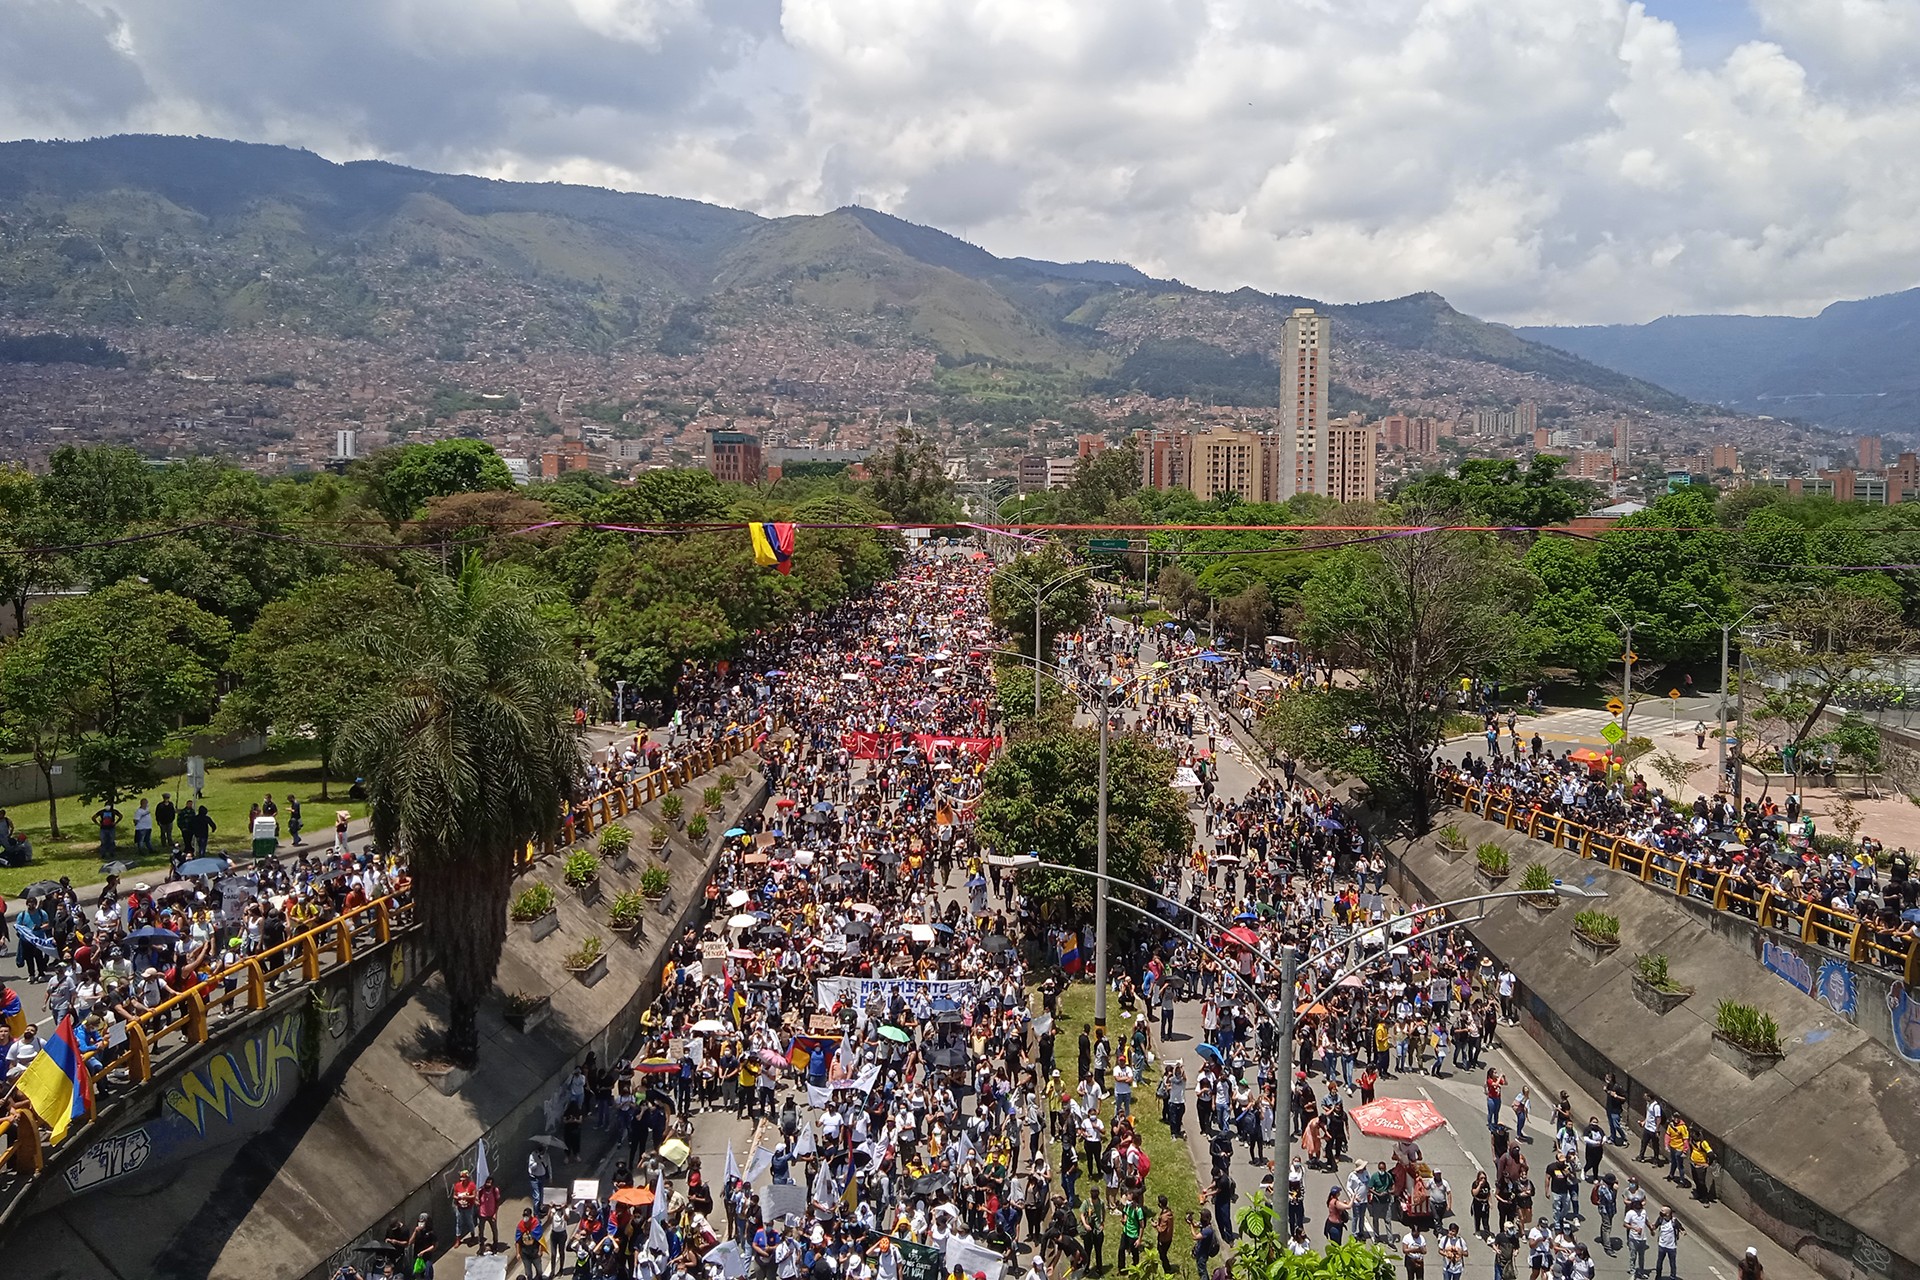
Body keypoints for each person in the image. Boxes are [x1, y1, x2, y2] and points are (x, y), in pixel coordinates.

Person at [515, 1204, 545, 1278]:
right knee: (528, 1274)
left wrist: (540, 1251)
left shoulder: (536, 1224)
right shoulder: (520, 1226)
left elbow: (540, 1239)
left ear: (530, 1216)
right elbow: (517, 1241)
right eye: (524, 1215)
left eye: (527, 1215)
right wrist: (518, 1253)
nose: (525, 1217)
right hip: (525, 1253)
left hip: (535, 1252)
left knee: (539, 1271)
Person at [1653, 1206, 1682, 1280]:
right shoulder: (1660, 1219)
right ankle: (1658, 1276)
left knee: (1672, 1263)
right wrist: (1651, 1227)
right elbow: (1655, 1227)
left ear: (1668, 1213)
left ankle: (1673, 1277)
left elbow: (1681, 1229)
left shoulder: (1674, 1221)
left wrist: (1682, 1232)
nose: (1660, 1211)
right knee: (1659, 1262)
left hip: (1671, 1246)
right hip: (1662, 1245)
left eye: (1663, 1211)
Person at [452, 1169, 478, 1244]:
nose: (463, 1180)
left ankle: (473, 1235)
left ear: (467, 1178)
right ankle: (458, 1239)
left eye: (465, 1178)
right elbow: (454, 1195)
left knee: (469, 1221)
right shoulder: (457, 1185)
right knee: (458, 1222)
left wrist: (467, 1197)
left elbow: (474, 1195)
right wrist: (457, 1198)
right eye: (462, 1178)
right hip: (459, 1207)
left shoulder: (471, 1185)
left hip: (469, 1207)